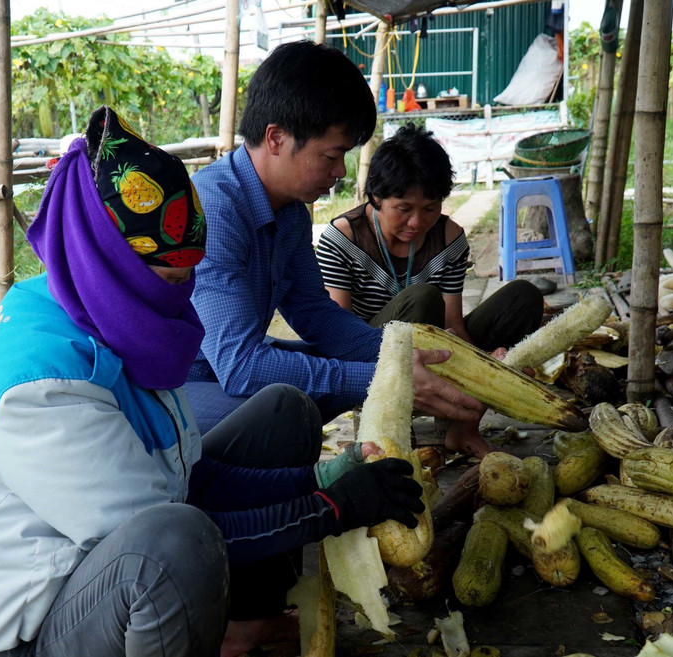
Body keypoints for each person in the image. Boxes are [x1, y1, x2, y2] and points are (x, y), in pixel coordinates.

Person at [0, 107, 424, 657]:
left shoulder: (104, 312)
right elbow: (178, 533)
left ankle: (242, 626)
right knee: (177, 547)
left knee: (284, 411)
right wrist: (332, 509)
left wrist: (324, 476)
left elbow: (190, 478)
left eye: (188, 277)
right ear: (113, 263)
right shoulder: (41, 385)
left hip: (97, 555)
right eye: (171, 279)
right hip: (30, 621)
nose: (181, 297)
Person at [185, 40, 486, 442]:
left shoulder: (289, 211)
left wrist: (401, 358)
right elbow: (241, 367)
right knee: (288, 415)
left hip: (221, 369)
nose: (340, 171)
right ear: (276, 138)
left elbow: (315, 313)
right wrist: (387, 376)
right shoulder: (214, 210)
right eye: (331, 156)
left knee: (335, 376)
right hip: (168, 383)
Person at [315, 123, 544, 456]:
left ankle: (461, 426)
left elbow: (454, 325)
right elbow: (339, 332)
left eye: (430, 208)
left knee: (523, 297)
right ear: (377, 198)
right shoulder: (343, 239)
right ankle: (389, 426)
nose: (417, 223)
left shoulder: (448, 238)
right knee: (421, 299)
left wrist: (487, 362)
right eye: (404, 209)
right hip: (372, 358)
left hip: (437, 348)